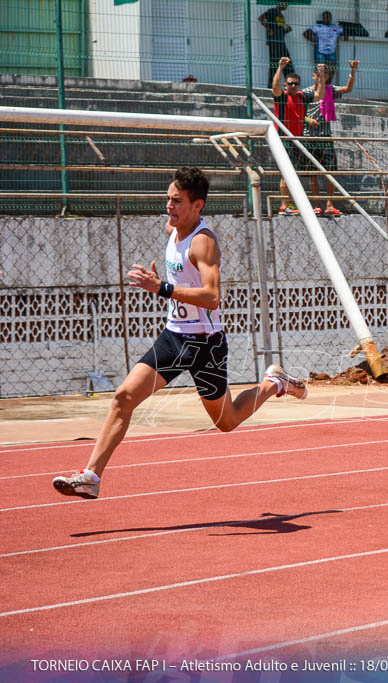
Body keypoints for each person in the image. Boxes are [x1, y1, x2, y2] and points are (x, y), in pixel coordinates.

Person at [52, 167, 307, 499]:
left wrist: (163, 288)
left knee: (226, 422)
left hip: (205, 345)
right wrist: (163, 286)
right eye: (168, 199)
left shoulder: (204, 242)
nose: (169, 207)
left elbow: (212, 297)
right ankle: (91, 477)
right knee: (123, 397)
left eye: (177, 201)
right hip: (173, 337)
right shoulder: (171, 229)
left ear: (197, 205)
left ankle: (273, 383)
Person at [304, 60, 358, 217]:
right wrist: (308, 120)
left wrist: (352, 71)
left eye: (325, 74)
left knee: (331, 170)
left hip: (325, 136)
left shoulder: (330, 90)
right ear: (313, 75)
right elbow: (298, 113)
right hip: (309, 137)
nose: (322, 76)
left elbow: (348, 88)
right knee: (312, 172)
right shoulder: (306, 93)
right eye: (319, 74)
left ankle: (329, 204)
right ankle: (316, 205)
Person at [271, 57, 317, 216]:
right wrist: (280, 67)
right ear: (285, 85)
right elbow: (274, 87)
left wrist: (322, 77)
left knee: (294, 173)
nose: (292, 86)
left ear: (299, 86)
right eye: (289, 83)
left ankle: (290, 204)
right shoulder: (282, 97)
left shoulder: (302, 98)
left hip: (297, 141)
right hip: (284, 140)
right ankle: (285, 205)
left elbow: (319, 94)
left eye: (295, 84)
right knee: (287, 172)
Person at [259, 1, 293, 90]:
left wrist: (286, 31)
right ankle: (271, 86)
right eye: (285, 3)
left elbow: (280, 31)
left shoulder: (281, 16)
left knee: (287, 63)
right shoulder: (272, 11)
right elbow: (261, 18)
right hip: (273, 42)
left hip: (281, 42)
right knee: (274, 64)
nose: (286, 5)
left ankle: (290, 84)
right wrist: (269, 28)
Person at [304, 12, 343, 81]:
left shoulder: (335, 27)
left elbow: (343, 32)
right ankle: (320, 84)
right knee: (321, 69)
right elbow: (306, 33)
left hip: (331, 51)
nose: (327, 18)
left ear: (331, 18)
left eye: (329, 17)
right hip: (320, 51)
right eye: (325, 17)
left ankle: (328, 83)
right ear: (323, 18)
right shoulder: (318, 26)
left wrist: (345, 35)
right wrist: (314, 41)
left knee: (332, 68)